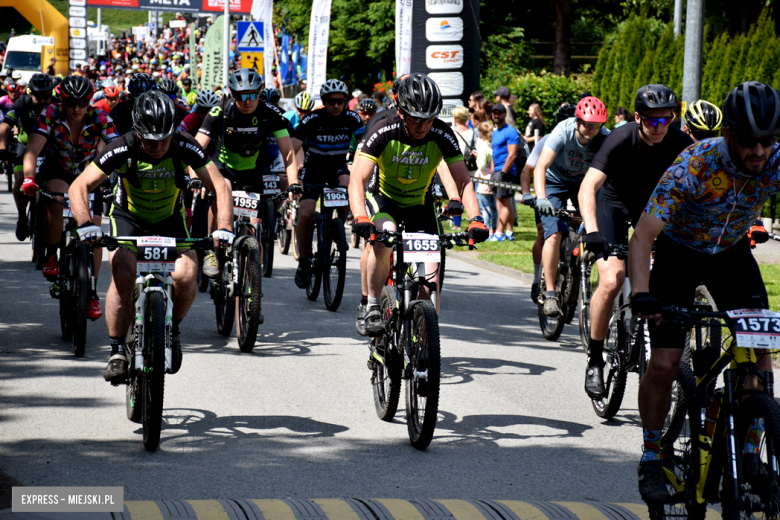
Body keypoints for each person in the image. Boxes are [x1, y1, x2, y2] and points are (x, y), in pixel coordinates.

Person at [628, 81, 780, 502]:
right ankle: (653, 454)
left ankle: (750, 451)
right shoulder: (693, 164)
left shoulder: (775, 161)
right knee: (663, 363)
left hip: (732, 255)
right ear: (728, 133)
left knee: (759, 352)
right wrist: (642, 293)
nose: (759, 152)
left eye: (768, 141)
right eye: (749, 142)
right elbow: (642, 237)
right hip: (679, 252)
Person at [67, 90, 235, 383]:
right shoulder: (123, 146)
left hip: (169, 221)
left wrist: (224, 227)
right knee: (122, 271)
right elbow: (79, 186)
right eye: (149, 139)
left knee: (187, 273)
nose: (157, 146)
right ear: (137, 132)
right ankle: (118, 349)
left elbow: (221, 185)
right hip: (129, 220)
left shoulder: (185, 144)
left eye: (164, 139)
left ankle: (173, 329)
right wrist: (85, 224)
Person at [349, 73, 489, 335]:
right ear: (401, 112)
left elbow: (463, 180)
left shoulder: (442, 134)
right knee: (384, 238)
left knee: (428, 287)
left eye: (429, 118)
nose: (423, 125)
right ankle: (371, 305)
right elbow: (357, 179)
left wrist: (476, 218)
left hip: (420, 205)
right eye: (416, 118)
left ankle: (421, 348)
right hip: (384, 199)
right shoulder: (384, 130)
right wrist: (360, 216)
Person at [577, 84, 692, 398]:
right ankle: (596, 358)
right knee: (613, 278)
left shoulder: (681, 143)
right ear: (638, 118)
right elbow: (588, 188)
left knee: (663, 280)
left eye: (666, 121)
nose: (659, 128)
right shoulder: (620, 138)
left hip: (652, 209)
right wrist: (592, 231)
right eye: (652, 121)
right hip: (613, 203)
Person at [20, 75, 119, 319]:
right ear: (62, 100)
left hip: (89, 174)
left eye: (82, 102)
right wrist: (28, 178)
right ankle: (52, 254)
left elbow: (117, 149)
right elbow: (32, 149)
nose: (76, 108)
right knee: (55, 198)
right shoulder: (51, 113)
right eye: (71, 102)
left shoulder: (100, 116)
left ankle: (92, 292)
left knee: (94, 233)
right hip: (58, 169)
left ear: (89, 101)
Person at [195, 68, 300, 281]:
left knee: (254, 228)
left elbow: (288, 152)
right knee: (218, 194)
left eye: (253, 94)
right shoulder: (219, 112)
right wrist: (197, 178)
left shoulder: (270, 113)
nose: (247, 100)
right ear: (232, 94)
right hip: (222, 167)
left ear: (260, 91)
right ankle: (210, 249)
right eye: (241, 95)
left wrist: (294, 183)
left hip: (251, 171)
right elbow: (196, 148)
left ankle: (250, 287)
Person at [534, 96, 610, 316]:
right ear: (577, 121)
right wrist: (541, 197)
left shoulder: (605, 139)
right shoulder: (562, 131)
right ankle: (549, 294)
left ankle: (579, 269)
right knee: (554, 234)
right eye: (586, 124)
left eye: (595, 125)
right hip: (554, 182)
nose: (590, 129)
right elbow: (540, 167)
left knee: (595, 226)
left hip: (583, 183)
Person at [290, 78, 364, 288]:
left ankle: (337, 228)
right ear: (324, 101)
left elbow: (364, 147)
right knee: (305, 213)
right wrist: (292, 178)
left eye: (340, 101)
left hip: (338, 169)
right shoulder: (311, 119)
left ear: (345, 101)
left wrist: (361, 171)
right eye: (331, 101)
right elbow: (292, 149)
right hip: (313, 171)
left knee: (350, 186)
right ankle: (303, 262)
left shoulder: (353, 119)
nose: (335, 105)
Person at [521, 103, 576, 302]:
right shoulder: (547, 140)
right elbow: (528, 170)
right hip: (548, 188)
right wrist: (527, 194)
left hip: (573, 186)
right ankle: (537, 279)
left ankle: (574, 270)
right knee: (544, 233)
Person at [0, 73, 55, 241]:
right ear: (30, 92)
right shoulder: (22, 103)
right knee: (19, 179)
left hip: (50, 147)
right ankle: (22, 218)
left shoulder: (56, 105)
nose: (43, 100)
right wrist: (2, 148)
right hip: (24, 146)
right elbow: (4, 127)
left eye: (47, 95)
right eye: (38, 95)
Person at [489, 103, 524, 242]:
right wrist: (492, 172)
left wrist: (503, 172)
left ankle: (498, 233)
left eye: (499, 113)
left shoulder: (510, 131)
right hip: (496, 171)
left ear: (504, 114)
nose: (496, 115)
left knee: (502, 204)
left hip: (506, 171)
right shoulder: (495, 132)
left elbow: (512, 155)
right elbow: (494, 153)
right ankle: (509, 232)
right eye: (494, 113)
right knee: (505, 203)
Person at [473, 121, 496, 237]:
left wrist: (477, 157)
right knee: (494, 206)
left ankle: (486, 229)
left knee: (485, 207)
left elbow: (481, 165)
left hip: (484, 178)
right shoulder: (493, 144)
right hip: (493, 177)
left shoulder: (483, 146)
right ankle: (494, 229)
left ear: (480, 133)